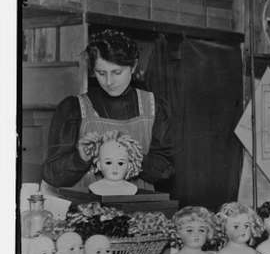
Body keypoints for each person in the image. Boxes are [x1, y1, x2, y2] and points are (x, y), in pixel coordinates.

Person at [41, 29, 174, 192]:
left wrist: (133, 157)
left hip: (139, 210)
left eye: (117, 72)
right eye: (101, 73)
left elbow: (166, 170)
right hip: (86, 209)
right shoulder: (73, 108)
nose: (109, 81)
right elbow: (52, 175)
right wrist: (79, 158)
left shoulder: (155, 106)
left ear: (133, 67)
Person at [85, 130, 144, 196]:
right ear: (99, 165)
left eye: (120, 163)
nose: (115, 167)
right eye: (109, 162)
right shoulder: (94, 188)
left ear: (129, 166)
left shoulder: (133, 189)